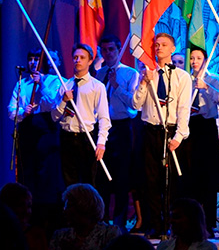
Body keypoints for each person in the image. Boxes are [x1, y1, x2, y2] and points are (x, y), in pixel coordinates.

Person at [132, 33, 192, 239]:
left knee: (171, 181)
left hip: (171, 132)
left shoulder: (181, 77)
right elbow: (136, 105)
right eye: (156, 45)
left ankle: (172, 223)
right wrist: (143, 83)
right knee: (151, 180)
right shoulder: (147, 74)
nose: (159, 48)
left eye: (164, 45)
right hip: (150, 131)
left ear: (172, 49)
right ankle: (155, 224)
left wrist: (179, 136)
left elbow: (183, 109)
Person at [95, 34, 140, 228]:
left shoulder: (130, 74)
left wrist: (116, 86)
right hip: (102, 128)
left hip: (122, 127)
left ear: (119, 50)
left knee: (121, 176)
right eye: (104, 50)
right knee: (102, 176)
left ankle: (120, 223)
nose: (108, 53)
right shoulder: (99, 73)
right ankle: (102, 220)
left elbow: (133, 105)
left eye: (111, 49)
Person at [51, 43, 111, 186]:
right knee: (69, 182)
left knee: (88, 182)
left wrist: (101, 143)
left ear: (90, 61)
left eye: (82, 57)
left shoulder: (97, 86)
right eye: (75, 57)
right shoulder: (65, 85)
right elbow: (54, 116)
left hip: (86, 138)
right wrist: (63, 101)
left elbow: (104, 117)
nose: (78, 60)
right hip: (66, 137)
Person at [7, 49, 63, 197]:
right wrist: (23, 112)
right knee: (27, 169)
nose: (33, 62)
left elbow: (54, 104)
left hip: (46, 127)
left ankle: (46, 203)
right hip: (27, 127)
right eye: (30, 59)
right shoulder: (22, 83)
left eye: (36, 59)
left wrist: (42, 84)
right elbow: (11, 109)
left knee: (45, 171)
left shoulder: (53, 80)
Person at [187, 47, 219, 236]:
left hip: (207, 127)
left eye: (198, 58)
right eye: (192, 58)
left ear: (205, 59)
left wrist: (206, 88)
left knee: (208, 177)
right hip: (191, 127)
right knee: (191, 176)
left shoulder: (214, 79)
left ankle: (209, 223)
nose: (194, 61)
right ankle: (192, 222)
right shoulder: (186, 79)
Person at [49, 183, 121, 250]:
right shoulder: (60, 236)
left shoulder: (109, 233)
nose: (65, 211)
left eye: (69, 206)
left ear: (84, 206)